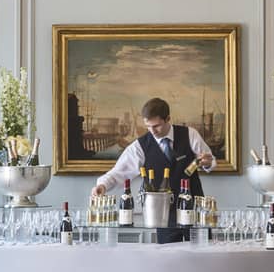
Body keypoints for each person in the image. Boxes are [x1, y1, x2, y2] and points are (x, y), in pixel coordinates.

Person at [92, 97, 216, 242]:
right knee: (167, 261)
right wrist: (102, 185)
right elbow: (119, 172)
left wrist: (207, 163)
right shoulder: (140, 146)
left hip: (195, 210)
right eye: (148, 126)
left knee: (202, 258)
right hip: (163, 215)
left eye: (156, 126)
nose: (152, 131)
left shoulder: (190, 134)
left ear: (168, 118)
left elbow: (210, 161)